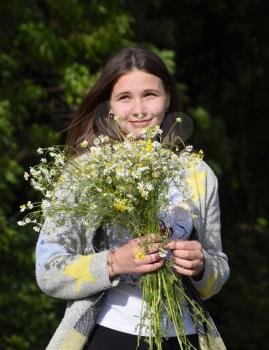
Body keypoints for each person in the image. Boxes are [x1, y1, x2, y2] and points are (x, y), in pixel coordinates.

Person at [35, 47, 230, 350]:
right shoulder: (84, 172)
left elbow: (217, 271)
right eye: (125, 97)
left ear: (167, 99)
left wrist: (202, 264)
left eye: (150, 94)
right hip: (105, 335)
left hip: (184, 337)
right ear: (108, 107)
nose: (139, 109)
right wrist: (113, 263)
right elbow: (48, 272)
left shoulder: (198, 174)